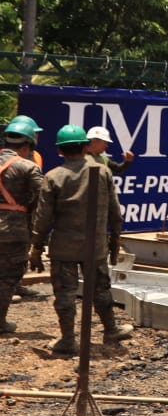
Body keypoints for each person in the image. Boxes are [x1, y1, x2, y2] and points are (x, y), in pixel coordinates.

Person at [28, 124, 130, 355]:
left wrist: (36, 248)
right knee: (101, 290)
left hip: (64, 247)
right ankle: (110, 330)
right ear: (85, 147)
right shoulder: (102, 172)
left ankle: (67, 340)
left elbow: (43, 217)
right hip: (95, 246)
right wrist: (114, 241)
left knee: (64, 294)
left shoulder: (53, 177)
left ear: (60, 151)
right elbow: (115, 211)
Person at [0, 122, 44, 334]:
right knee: (8, 276)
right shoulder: (28, 167)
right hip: (12, 231)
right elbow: (46, 198)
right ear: (27, 146)